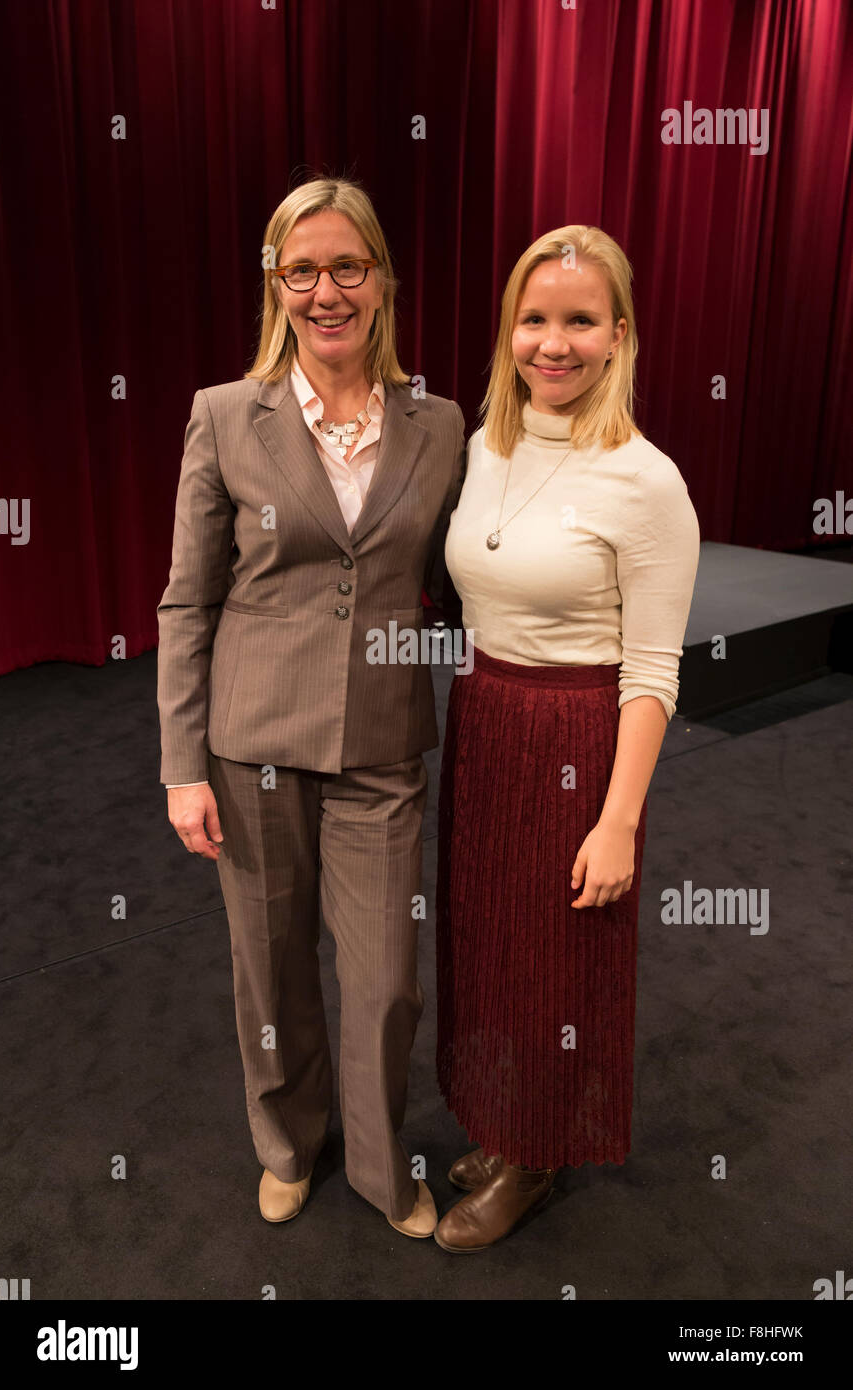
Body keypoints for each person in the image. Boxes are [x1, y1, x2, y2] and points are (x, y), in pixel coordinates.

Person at [156, 176, 464, 1237]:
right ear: (275, 285)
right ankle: (287, 1143)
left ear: (380, 280)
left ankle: (384, 1172)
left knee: (384, 983)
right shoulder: (222, 417)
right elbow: (186, 599)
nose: (326, 290)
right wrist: (180, 764)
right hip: (252, 749)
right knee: (272, 973)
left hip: (382, 742)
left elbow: (460, 574)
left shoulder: (441, 422)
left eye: (347, 267)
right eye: (303, 270)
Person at [434, 225, 700, 1252]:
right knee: (489, 940)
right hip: (486, 720)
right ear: (508, 332)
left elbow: (651, 671)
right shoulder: (486, 446)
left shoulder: (645, 480)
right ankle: (503, 1127)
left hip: (576, 738)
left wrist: (618, 819)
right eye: (533, 319)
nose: (553, 342)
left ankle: (536, 1155)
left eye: (578, 320)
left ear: (618, 334)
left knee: (554, 960)